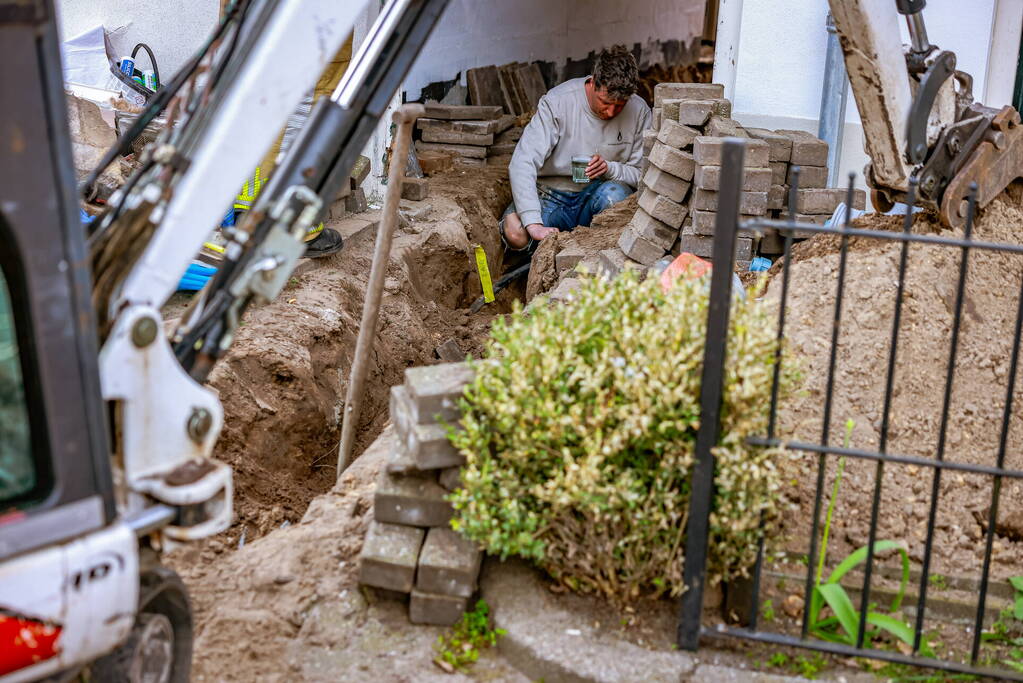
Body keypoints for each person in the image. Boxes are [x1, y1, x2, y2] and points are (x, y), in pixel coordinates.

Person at [501, 45, 651, 251]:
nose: (611, 112)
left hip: (597, 194)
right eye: (605, 102)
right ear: (593, 82)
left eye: (620, 105)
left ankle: (593, 252)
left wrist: (610, 169)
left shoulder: (639, 111)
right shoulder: (558, 102)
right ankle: (540, 258)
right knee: (515, 231)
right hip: (549, 194)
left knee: (615, 197)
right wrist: (534, 223)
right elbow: (522, 163)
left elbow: (644, 176)